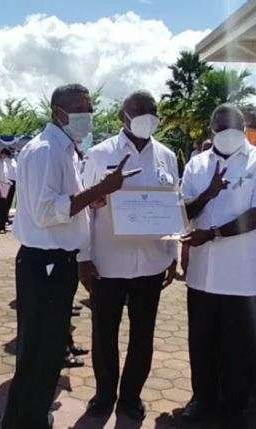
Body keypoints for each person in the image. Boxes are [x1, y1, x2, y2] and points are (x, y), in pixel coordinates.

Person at [2, 83, 137, 428]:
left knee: (45, 353)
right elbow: (47, 212)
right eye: (79, 108)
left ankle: (29, 415)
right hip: (44, 263)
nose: (86, 115)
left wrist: (93, 198)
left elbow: (65, 204)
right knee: (39, 353)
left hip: (57, 263)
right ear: (57, 111)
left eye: (89, 107)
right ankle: (26, 420)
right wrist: (101, 188)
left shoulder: (66, 149)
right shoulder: (46, 150)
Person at [179, 104, 256, 428]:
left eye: (233, 127)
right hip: (201, 276)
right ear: (211, 130)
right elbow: (186, 212)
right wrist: (208, 194)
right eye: (220, 127)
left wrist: (214, 233)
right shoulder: (196, 165)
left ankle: (235, 407)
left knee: (238, 346)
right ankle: (203, 398)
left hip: (243, 277)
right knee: (202, 341)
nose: (227, 133)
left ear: (245, 127)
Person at [79, 91, 179, 421]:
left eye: (153, 111)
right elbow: (85, 211)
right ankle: (104, 395)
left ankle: (131, 396)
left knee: (143, 335)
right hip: (108, 263)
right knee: (104, 334)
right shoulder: (98, 154)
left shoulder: (167, 156)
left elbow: (172, 206)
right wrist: (83, 257)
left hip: (152, 262)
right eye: (139, 111)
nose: (147, 116)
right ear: (123, 115)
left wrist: (172, 253)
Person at [4, 151, 18, 225]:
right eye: (11, 152)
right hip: (8, 181)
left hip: (14, 182)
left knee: (10, 201)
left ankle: (6, 216)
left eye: (13, 152)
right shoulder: (6, 160)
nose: (12, 153)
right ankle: (4, 217)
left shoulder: (13, 161)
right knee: (6, 201)